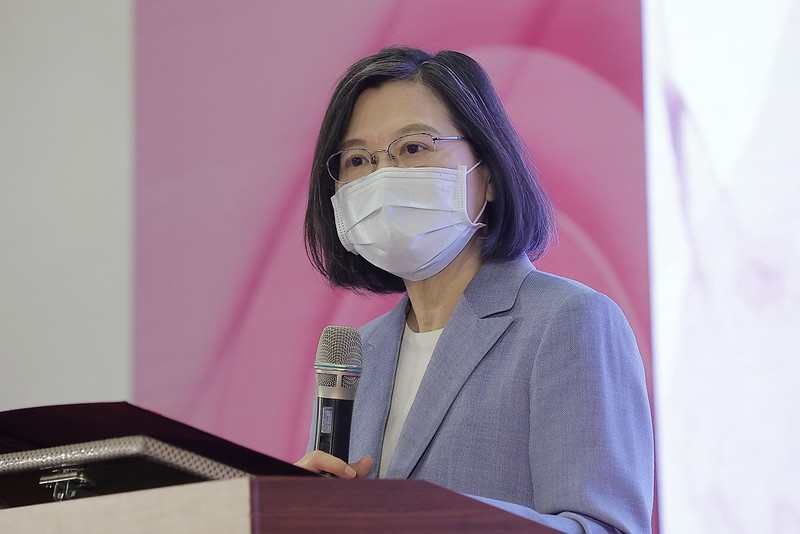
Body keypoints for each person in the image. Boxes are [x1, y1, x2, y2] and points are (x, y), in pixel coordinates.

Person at [296, 46, 654, 533]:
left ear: (486, 176)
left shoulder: (569, 321)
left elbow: (606, 528)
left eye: (413, 148)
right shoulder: (360, 353)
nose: (382, 178)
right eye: (358, 159)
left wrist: (421, 517)